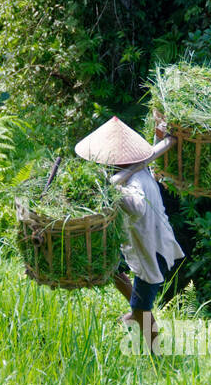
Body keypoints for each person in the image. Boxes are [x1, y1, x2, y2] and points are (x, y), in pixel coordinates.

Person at [74, 116, 183, 354]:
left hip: (152, 251)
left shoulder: (135, 180)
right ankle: (133, 314)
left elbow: (136, 207)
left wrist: (114, 188)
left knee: (143, 308)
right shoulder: (138, 170)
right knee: (115, 269)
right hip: (136, 244)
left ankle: (155, 351)